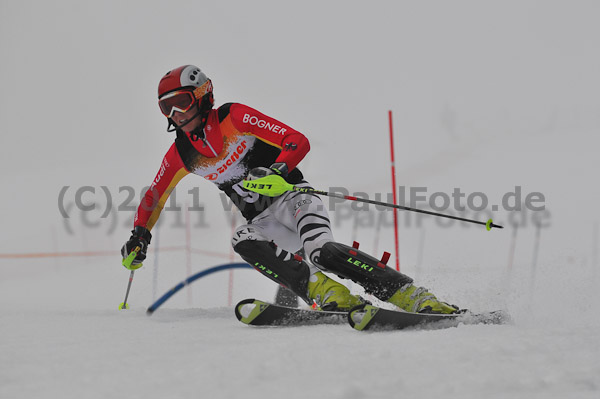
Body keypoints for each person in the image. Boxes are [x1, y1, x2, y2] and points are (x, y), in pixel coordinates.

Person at [121, 65, 458, 314]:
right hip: (264, 220)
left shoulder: (232, 117)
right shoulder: (181, 153)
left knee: (320, 252)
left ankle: (413, 296)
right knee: (242, 238)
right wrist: (140, 236)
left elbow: (296, 140)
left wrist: (279, 169)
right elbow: (155, 195)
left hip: (294, 198)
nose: (177, 114)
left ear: (201, 94)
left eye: (180, 102)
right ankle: (329, 294)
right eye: (167, 108)